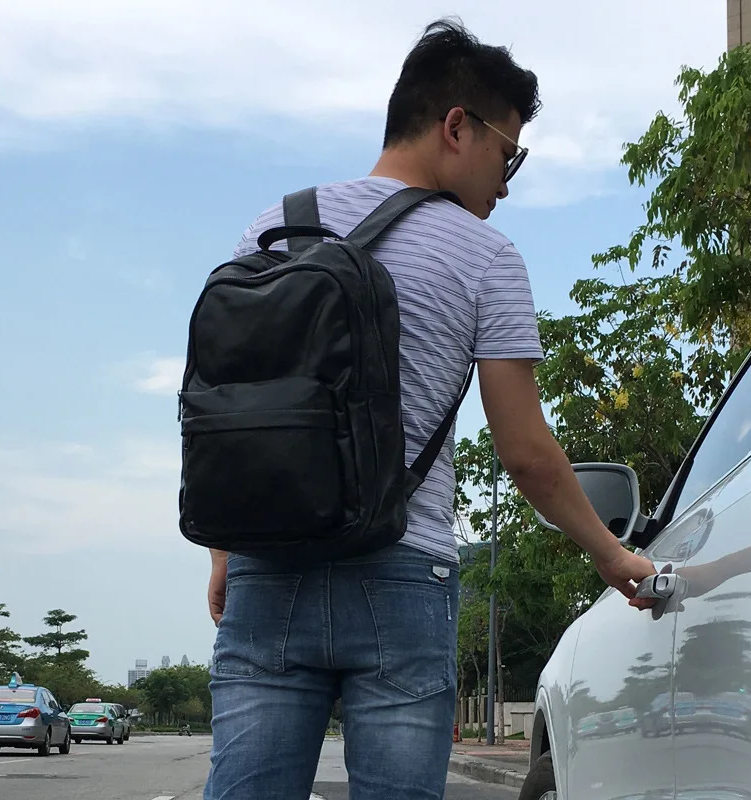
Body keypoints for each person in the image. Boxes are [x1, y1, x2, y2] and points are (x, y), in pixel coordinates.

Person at [203, 18, 657, 800]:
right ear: (456, 127)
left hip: (268, 569)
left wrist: (223, 553)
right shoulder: (486, 256)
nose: (506, 183)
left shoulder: (274, 226)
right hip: (402, 571)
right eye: (508, 154)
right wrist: (613, 557)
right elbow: (525, 453)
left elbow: (230, 405)